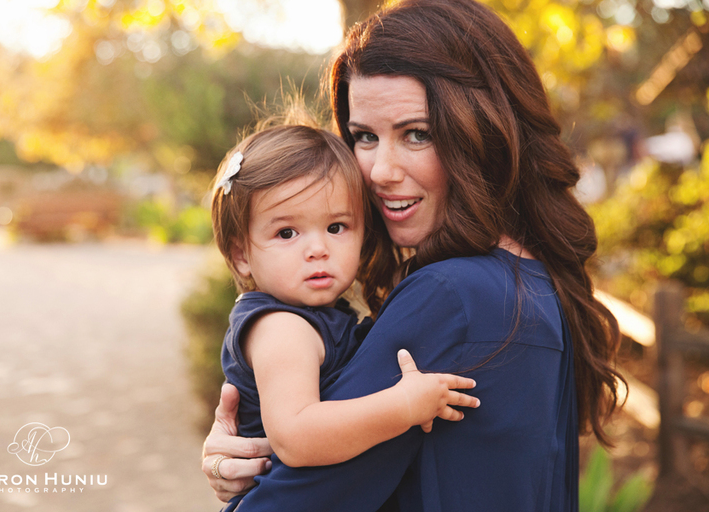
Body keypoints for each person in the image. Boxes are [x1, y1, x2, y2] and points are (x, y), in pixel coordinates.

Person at [202, 0, 623, 510]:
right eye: (364, 137)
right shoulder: (530, 278)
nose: (379, 170)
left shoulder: (453, 296)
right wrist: (252, 459)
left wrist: (248, 488)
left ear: (482, 133)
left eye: (416, 133)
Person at [210, 122, 480, 509]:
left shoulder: (317, 315)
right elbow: (297, 438)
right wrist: (403, 406)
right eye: (287, 233)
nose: (318, 248)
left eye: (336, 227)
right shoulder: (281, 328)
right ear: (240, 255)